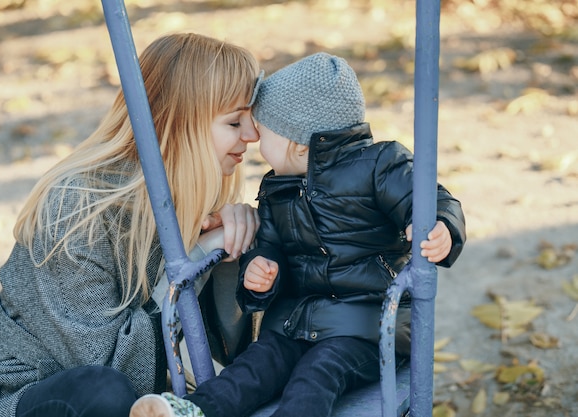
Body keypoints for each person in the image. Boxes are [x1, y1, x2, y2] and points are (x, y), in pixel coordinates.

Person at [129, 52, 466, 417]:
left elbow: (431, 198)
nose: (254, 134)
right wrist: (261, 271)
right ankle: (194, 411)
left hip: (369, 327)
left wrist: (437, 225)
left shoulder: (381, 165)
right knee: (253, 367)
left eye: (265, 129)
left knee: (316, 375)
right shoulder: (277, 188)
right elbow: (272, 248)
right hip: (296, 323)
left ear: (301, 144)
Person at [0, 33, 264, 417]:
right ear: (180, 123)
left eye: (253, 119)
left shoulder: (195, 204)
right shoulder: (76, 206)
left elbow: (219, 357)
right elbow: (112, 364)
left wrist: (230, 254)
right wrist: (198, 255)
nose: (252, 136)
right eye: (235, 121)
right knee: (103, 390)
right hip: (22, 400)